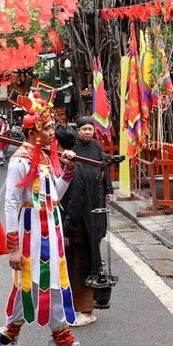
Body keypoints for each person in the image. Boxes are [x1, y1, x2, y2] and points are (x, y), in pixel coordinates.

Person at [0, 94, 100, 346]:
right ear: (32, 131)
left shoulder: (43, 158)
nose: (53, 132)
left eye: (52, 127)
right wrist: (13, 247)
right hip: (32, 234)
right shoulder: (20, 161)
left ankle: (7, 336)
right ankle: (66, 345)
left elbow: (55, 196)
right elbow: (11, 203)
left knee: (30, 283)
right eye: (48, 128)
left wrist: (68, 170)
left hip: (50, 229)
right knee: (47, 283)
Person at [61, 117, 114, 327]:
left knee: (89, 255)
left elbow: (104, 170)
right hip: (79, 209)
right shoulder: (72, 153)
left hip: (93, 204)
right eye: (84, 129)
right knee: (77, 260)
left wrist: (108, 190)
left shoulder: (97, 148)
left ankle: (87, 306)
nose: (87, 132)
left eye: (90, 129)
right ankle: (77, 305)